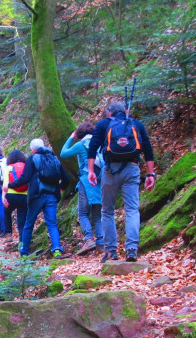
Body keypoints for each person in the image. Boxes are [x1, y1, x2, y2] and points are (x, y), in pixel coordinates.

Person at [87, 101, 155, 263]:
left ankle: (111, 251)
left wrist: (91, 171)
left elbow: (92, 147)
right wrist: (150, 173)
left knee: (107, 211)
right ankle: (132, 249)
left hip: (110, 170)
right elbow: (148, 149)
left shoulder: (104, 124)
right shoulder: (136, 124)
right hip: (132, 169)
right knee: (132, 209)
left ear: (109, 113)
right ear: (125, 111)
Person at [10, 138, 70, 258]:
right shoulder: (54, 159)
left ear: (33, 149)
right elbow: (66, 179)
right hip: (52, 196)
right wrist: (60, 187)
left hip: (37, 196)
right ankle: (57, 250)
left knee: (28, 224)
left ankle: (24, 253)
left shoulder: (32, 158)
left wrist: (9, 185)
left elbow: (25, 178)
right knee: (52, 224)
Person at [60, 121, 104, 255]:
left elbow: (63, 153)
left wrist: (71, 138)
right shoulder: (99, 143)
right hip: (100, 180)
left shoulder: (80, 145)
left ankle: (89, 239)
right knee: (97, 214)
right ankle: (101, 243)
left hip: (86, 180)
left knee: (83, 212)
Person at [0, 150, 29, 248]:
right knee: (22, 219)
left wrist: (3, 197)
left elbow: (5, 185)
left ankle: (8, 234)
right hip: (24, 196)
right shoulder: (26, 166)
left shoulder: (8, 168)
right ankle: (22, 240)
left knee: (7, 212)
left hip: (11, 195)